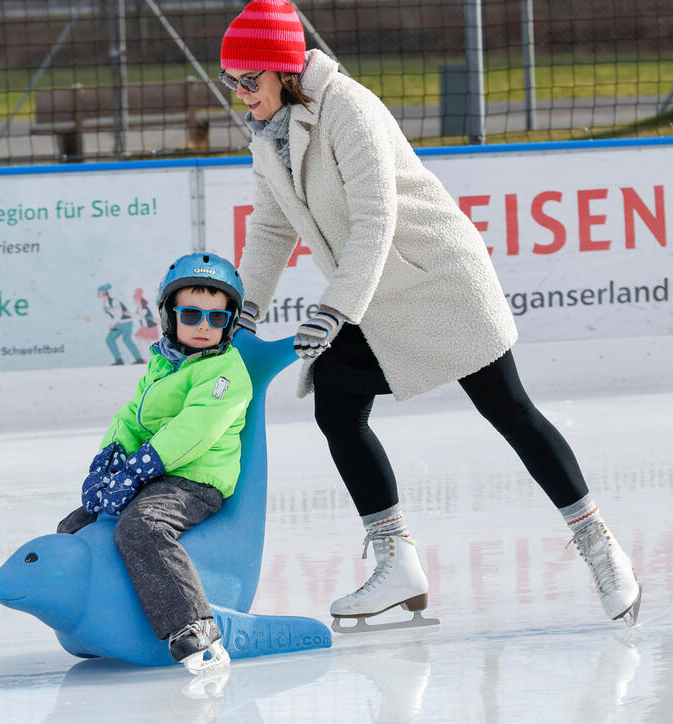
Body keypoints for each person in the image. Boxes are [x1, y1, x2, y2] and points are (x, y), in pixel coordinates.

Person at [218, 0, 641, 628]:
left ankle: (602, 548)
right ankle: (396, 561)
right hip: (372, 296)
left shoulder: (349, 108)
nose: (240, 95)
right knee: (336, 407)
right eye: (232, 82)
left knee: (510, 410)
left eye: (249, 81)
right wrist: (241, 315)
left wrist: (334, 310)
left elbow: (376, 219)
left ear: (283, 72)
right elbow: (272, 228)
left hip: (439, 282)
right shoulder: (267, 136)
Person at [57, 253, 253, 673]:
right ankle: (97, 622)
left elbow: (195, 430)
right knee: (76, 525)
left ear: (230, 322)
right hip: (154, 473)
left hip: (195, 480)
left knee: (143, 525)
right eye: (192, 314)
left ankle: (194, 624)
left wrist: (139, 468)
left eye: (217, 318)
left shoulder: (224, 372)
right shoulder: (164, 364)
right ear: (170, 316)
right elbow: (131, 417)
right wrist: (106, 462)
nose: (204, 325)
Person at [96, 283, 144, 365]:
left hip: (126, 323)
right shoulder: (105, 303)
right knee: (109, 340)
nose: (98, 294)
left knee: (127, 340)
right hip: (118, 324)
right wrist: (91, 318)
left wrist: (112, 324)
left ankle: (139, 359)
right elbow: (102, 314)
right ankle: (119, 360)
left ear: (104, 293)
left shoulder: (114, 301)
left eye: (99, 293)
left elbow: (119, 314)